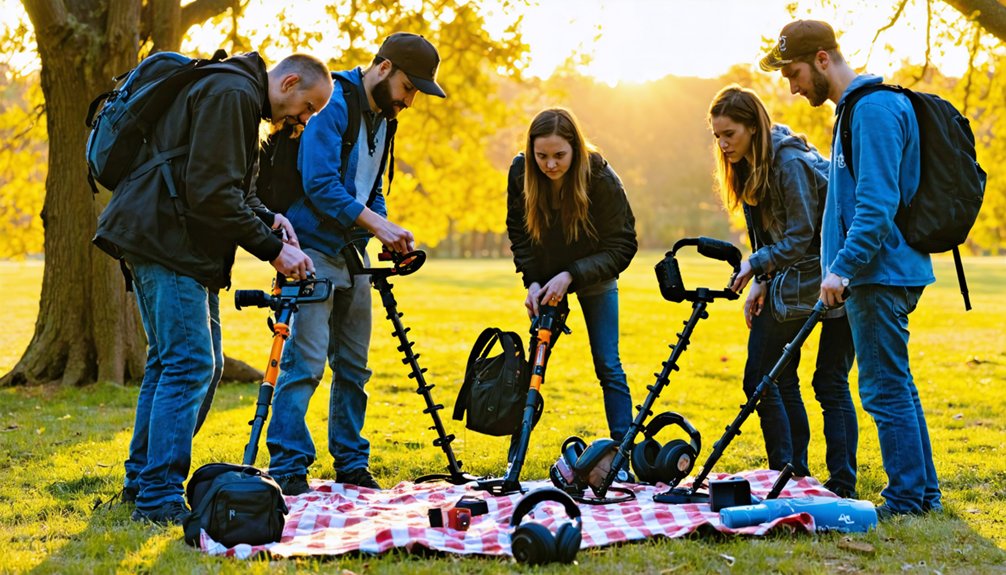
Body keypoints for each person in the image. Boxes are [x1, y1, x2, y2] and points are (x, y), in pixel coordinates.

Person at [93, 52, 333, 524]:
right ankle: (158, 497)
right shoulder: (232, 94)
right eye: (307, 107)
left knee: (179, 362)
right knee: (189, 363)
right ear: (287, 83)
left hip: (175, 241)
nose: (303, 121)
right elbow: (210, 194)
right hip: (166, 240)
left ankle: (141, 482)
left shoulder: (236, 94)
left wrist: (269, 218)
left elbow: (226, 187)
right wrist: (273, 249)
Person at [761, 20, 941, 518]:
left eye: (794, 73)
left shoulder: (874, 110)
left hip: (879, 273)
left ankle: (905, 499)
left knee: (883, 388)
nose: (792, 87)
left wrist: (840, 269)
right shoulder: (854, 112)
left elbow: (877, 204)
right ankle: (924, 495)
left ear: (822, 59)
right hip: (876, 272)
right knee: (896, 383)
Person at [265, 33, 447, 495]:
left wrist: (385, 231)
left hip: (353, 254)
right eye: (409, 88)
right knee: (304, 363)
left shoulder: (384, 117)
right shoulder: (333, 103)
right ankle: (288, 466)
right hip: (310, 251)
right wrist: (377, 226)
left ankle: (350, 461)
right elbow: (321, 183)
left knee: (355, 366)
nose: (410, 101)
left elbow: (370, 189)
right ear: (384, 69)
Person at [708, 85, 858, 497]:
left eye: (730, 134)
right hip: (796, 280)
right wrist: (761, 280)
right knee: (775, 377)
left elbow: (799, 236)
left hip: (840, 276)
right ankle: (794, 476)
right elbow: (770, 239)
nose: (722, 144)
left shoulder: (788, 162)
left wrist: (755, 266)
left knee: (823, 381)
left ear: (753, 128)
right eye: (716, 136)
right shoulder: (751, 165)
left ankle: (840, 482)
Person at [506, 107, 638, 450]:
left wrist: (572, 274)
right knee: (535, 365)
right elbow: (519, 233)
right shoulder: (521, 172)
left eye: (559, 156)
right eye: (542, 156)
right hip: (547, 280)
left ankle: (622, 454)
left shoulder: (601, 178)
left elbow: (623, 245)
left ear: (575, 149)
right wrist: (533, 281)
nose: (550, 165)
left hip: (594, 273)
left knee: (608, 364)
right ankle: (513, 459)